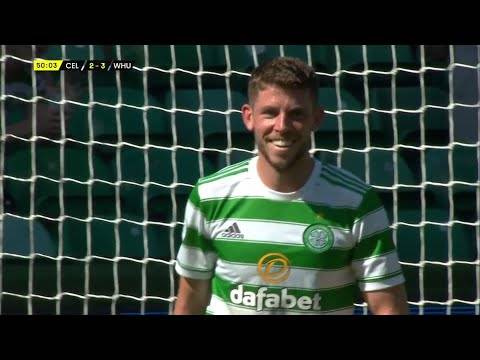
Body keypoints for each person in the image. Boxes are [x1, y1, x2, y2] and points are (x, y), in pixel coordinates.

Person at [173, 57, 408, 315]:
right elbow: (189, 303)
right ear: (249, 117)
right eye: (270, 113)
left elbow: (389, 308)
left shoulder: (356, 202)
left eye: (296, 114)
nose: (282, 126)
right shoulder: (210, 196)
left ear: (316, 119)